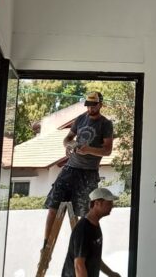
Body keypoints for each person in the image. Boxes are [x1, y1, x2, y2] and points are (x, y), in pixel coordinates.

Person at [43, 91, 114, 249]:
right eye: (88, 105)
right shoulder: (80, 119)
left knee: (86, 212)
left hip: (89, 172)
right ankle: (46, 245)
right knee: (54, 205)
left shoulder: (105, 124)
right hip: (70, 168)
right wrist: (69, 145)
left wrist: (88, 149)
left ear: (100, 105)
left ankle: (82, 248)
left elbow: (107, 150)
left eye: (93, 105)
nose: (90, 109)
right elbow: (67, 138)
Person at [61, 187, 121, 277]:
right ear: (97, 203)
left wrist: (111, 274)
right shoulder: (83, 229)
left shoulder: (95, 225)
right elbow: (79, 265)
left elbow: (96, 259)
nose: (112, 206)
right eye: (109, 203)